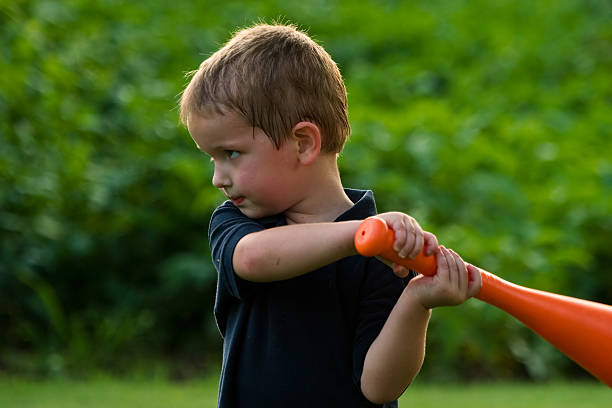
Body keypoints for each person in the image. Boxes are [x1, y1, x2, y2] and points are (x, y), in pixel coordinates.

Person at [179, 23, 482, 407]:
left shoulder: (383, 255)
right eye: (213, 159)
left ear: (303, 143)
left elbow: (380, 386)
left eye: (231, 154)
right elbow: (254, 258)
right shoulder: (239, 222)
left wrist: (417, 302)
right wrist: (362, 235)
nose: (218, 178)